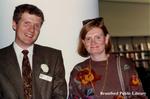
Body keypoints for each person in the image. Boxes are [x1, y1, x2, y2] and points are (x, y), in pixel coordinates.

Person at [68, 17, 147, 99]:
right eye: (88, 39)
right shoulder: (78, 71)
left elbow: (139, 96)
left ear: (106, 39)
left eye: (98, 37)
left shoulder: (123, 65)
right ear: (84, 43)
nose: (93, 42)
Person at [0, 4, 67, 99]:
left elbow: (60, 95)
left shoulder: (53, 57)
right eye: (26, 23)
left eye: (36, 25)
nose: (31, 30)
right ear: (14, 24)